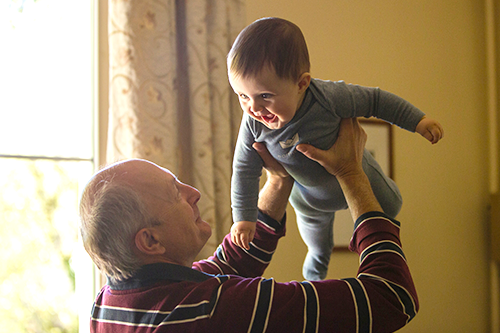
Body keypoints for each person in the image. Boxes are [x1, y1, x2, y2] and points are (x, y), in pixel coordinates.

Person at [79, 118, 418, 332]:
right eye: (175, 193)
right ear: (150, 241)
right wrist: (351, 174)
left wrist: (278, 180)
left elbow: (230, 263)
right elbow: (390, 299)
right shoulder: (213, 310)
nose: (194, 193)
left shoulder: (108, 303)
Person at [228, 17, 444, 280]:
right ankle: (314, 278)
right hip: (309, 199)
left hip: (359, 173)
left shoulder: (329, 98)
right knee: (318, 246)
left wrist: (418, 121)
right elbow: (243, 169)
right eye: (242, 96)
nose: (254, 108)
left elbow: (376, 100)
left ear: (301, 84)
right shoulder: (253, 123)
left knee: (392, 206)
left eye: (265, 96)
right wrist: (244, 218)